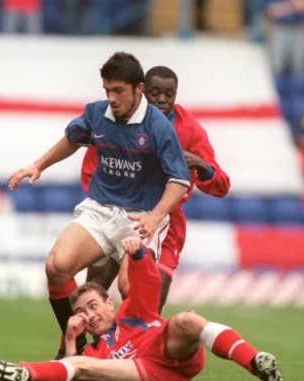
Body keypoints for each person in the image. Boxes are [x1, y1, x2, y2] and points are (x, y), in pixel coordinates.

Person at [7, 52, 190, 357]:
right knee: (57, 266)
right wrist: (38, 165)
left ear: (138, 89)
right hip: (101, 208)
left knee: (130, 289)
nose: (112, 98)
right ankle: (76, 347)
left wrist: (156, 217)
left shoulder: (157, 126)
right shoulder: (97, 114)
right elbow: (72, 138)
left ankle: (130, 353)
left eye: (119, 91)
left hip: (141, 217)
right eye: (108, 90)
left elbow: (179, 181)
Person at [0, 236, 282, 381]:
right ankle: (15, 371)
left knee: (187, 319)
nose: (89, 315)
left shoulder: (132, 313)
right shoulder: (94, 350)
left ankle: (254, 362)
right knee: (81, 364)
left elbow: (147, 281)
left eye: (93, 306)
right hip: (150, 376)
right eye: (81, 313)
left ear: (109, 303)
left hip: (172, 353)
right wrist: (70, 340)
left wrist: (138, 254)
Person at [82, 66, 231, 312]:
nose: (162, 99)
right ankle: (72, 347)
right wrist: (109, 201)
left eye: (169, 94)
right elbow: (92, 167)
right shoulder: (117, 119)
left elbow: (221, 185)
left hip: (164, 223)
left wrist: (202, 166)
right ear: (142, 91)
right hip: (116, 213)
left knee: (146, 306)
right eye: (155, 93)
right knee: (91, 295)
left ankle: (135, 350)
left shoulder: (189, 129)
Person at [265, 0, 304, 77]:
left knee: (298, 66)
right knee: (277, 64)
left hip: (297, 28)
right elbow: (273, 12)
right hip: (280, 28)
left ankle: (296, 88)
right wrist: (293, 5)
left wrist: (284, 7)